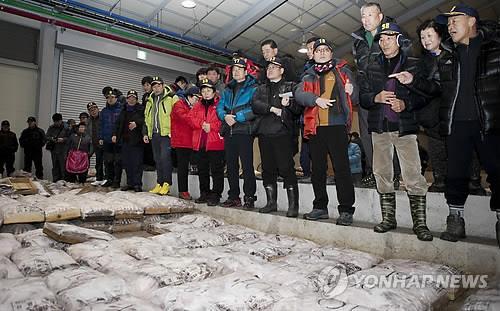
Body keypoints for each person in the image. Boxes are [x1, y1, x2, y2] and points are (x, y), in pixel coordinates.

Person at [392, 4, 500, 245]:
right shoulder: (448, 56)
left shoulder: (493, 49)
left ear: (471, 21)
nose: (450, 26)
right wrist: (413, 81)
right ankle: (455, 219)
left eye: (455, 21)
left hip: (488, 123)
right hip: (456, 124)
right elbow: (436, 89)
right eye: (448, 23)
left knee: (497, 171)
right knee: (455, 174)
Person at [358, 22, 432, 241]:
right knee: (382, 174)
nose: (384, 42)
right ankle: (388, 219)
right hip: (379, 128)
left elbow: (424, 95)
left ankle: (420, 224)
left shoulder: (413, 64)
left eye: (389, 37)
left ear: (399, 39)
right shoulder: (371, 65)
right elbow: (363, 97)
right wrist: (375, 98)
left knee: (413, 174)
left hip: (404, 128)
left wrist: (405, 104)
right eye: (381, 39)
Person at [295, 38, 358, 225]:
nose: (322, 52)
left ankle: (346, 210)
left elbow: (355, 98)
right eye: (318, 50)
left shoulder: (343, 71)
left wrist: (351, 90)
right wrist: (315, 100)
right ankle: (320, 207)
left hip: (337, 126)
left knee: (342, 168)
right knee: (318, 170)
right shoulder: (307, 75)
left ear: (331, 53)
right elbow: (299, 94)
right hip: (315, 127)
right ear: (313, 55)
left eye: (326, 49)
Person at [352, 2, 403, 188]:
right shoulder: (358, 40)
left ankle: (396, 174)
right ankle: (376, 173)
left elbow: (403, 60)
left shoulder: (393, 34)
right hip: (367, 95)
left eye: (369, 15)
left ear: (380, 16)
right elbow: (359, 68)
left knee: (391, 133)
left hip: (388, 91)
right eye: (363, 16)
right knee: (368, 136)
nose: (365, 20)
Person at [252, 57, 303, 217]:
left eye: (274, 67)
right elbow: (255, 105)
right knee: (267, 169)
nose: (270, 69)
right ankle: (271, 203)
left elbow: (298, 109)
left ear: (282, 70)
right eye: (268, 67)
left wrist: (289, 105)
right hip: (265, 133)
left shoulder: (290, 86)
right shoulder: (261, 88)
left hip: (283, 133)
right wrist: (272, 109)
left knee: (287, 168)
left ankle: (293, 206)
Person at [217, 58, 258, 208]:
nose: (236, 71)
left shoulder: (253, 87)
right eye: (234, 69)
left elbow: (255, 108)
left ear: (246, 71)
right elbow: (220, 107)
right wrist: (224, 116)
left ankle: (249, 197)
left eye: (240, 69)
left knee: (247, 166)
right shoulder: (227, 89)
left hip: (244, 130)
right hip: (229, 131)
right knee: (231, 166)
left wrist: (238, 117)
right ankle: (233, 196)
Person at [189, 80, 225, 206]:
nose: (206, 93)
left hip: (215, 141)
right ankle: (204, 192)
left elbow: (223, 120)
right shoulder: (197, 105)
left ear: (214, 92)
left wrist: (212, 126)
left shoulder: (220, 104)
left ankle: (216, 194)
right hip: (200, 142)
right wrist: (201, 124)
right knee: (202, 170)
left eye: (209, 90)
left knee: (216, 170)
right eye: (203, 91)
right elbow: (191, 119)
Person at [143, 76, 178, 195]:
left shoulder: (172, 97)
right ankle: (159, 182)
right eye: (154, 86)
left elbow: (177, 116)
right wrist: (146, 133)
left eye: (158, 85)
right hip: (154, 134)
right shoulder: (150, 99)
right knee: (157, 159)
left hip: (166, 134)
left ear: (163, 85)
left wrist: (173, 132)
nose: (156, 88)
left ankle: (167, 183)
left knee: (165, 158)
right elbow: (147, 117)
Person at [112, 90, 145, 192]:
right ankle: (130, 183)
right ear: (127, 99)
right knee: (127, 163)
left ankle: (137, 184)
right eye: (130, 97)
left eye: (133, 97)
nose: (131, 99)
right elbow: (117, 124)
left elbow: (146, 120)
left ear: (136, 99)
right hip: (125, 141)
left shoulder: (141, 109)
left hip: (137, 141)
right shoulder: (123, 110)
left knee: (137, 163)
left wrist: (137, 123)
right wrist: (114, 134)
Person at [171, 86, 200, 200]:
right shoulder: (179, 105)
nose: (198, 101)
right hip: (182, 141)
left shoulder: (194, 106)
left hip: (193, 140)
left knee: (195, 165)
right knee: (182, 167)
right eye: (196, 98)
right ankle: (183, 191)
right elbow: (186, 118)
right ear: (189, 97)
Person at [99, 88, 123, 188]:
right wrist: (100, 137)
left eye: (112, 97)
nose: (110, 99)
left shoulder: (122, 109)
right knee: (108, 161)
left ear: (116, 98)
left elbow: (122, 125)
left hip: (118, 140)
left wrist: (118, 136)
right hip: (107, 140)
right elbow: (101, 125)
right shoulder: (104, 111)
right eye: (108, 98)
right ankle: (109, 179)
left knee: (117, 161)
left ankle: (117, 181)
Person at [46, 113, 70, 182]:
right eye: (55, 122)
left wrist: (63, 139)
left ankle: (64, 181)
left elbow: (70, 138)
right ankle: (55, 181)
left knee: (63, 167)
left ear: (61, 120)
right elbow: (46, 136)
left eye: (58, 121)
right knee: (55, 167)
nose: (56, 123)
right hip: (54, 150)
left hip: (63, 151)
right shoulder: (51, 127)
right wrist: (52, 138)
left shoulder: (66, 127)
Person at [87, 102, 105, 186]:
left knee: (107, 162)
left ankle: (107, 178)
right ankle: (99, 178)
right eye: (91, 110)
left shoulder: (103, 116)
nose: (93, 111)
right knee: (98, 162)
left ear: (98, 109)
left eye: (94, 109)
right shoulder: (89, 120)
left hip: (104, 142)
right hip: (95, 143)